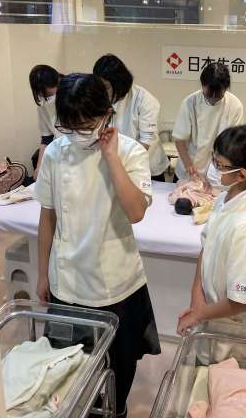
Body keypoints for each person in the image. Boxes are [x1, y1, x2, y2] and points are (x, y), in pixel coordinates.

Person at [34, 73, 160, 417]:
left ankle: (116, 411)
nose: (78, 134)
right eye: (70, 126)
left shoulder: (130, 152)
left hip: (115, 283)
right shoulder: (56, 153)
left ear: (106, 114)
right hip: (67, 280)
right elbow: (47, 218)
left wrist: (112, 157)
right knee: (66, 365)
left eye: (87, 125)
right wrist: (43, 273)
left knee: (119, 364)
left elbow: (136, 212)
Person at [177, 125, 246, 336]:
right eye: (213, 159)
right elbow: (206, 248)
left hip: (237, 331)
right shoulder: (225, 198)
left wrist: (199, 314)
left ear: (241, 175)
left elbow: (240, 302)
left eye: (219, 164)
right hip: (211, 315)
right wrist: (197, 296)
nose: (212, 167)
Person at [93, 54, 169, 181]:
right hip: (114, 165)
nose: (103, 91)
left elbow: (145, 142)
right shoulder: (102, 98)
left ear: (119, 83)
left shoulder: (145, 100)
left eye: (106, 87)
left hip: (146, 167)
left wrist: (121, 166)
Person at [173, 62, 244, 184]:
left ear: (226, 88)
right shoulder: (190, 102)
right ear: (202, 85)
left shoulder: (235, 105)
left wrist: (223, 169)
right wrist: (189, 165)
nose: (212, 99)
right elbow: (179, 139)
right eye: (209, 95)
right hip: (190, 166)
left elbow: (233, 143)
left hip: (218, 170)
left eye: (218, 96)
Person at [29, 65, 62, 179]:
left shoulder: (72, 96)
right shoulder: (43, 106)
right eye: (43, 96)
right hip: (61, 154)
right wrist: (39, 168)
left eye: (50, 95)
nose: (48, 99)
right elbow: (46, 139)